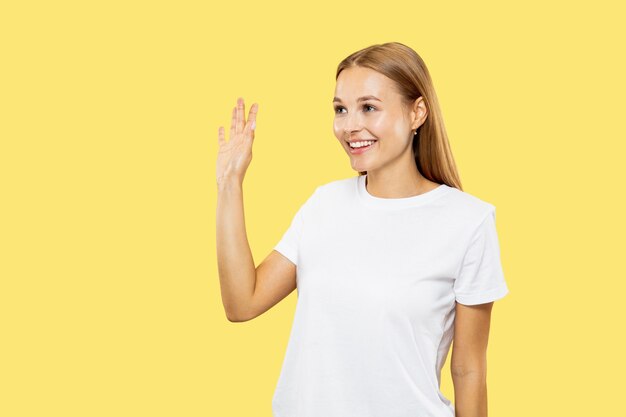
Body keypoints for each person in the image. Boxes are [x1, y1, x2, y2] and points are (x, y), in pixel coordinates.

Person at [216, 42, 509, 417]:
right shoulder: (324, 205)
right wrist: (229, 184)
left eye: (368, 107)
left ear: (417, 112)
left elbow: (469, 371)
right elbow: (242, 303)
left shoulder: (468, 222)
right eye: (341, 109)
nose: (350, 126)